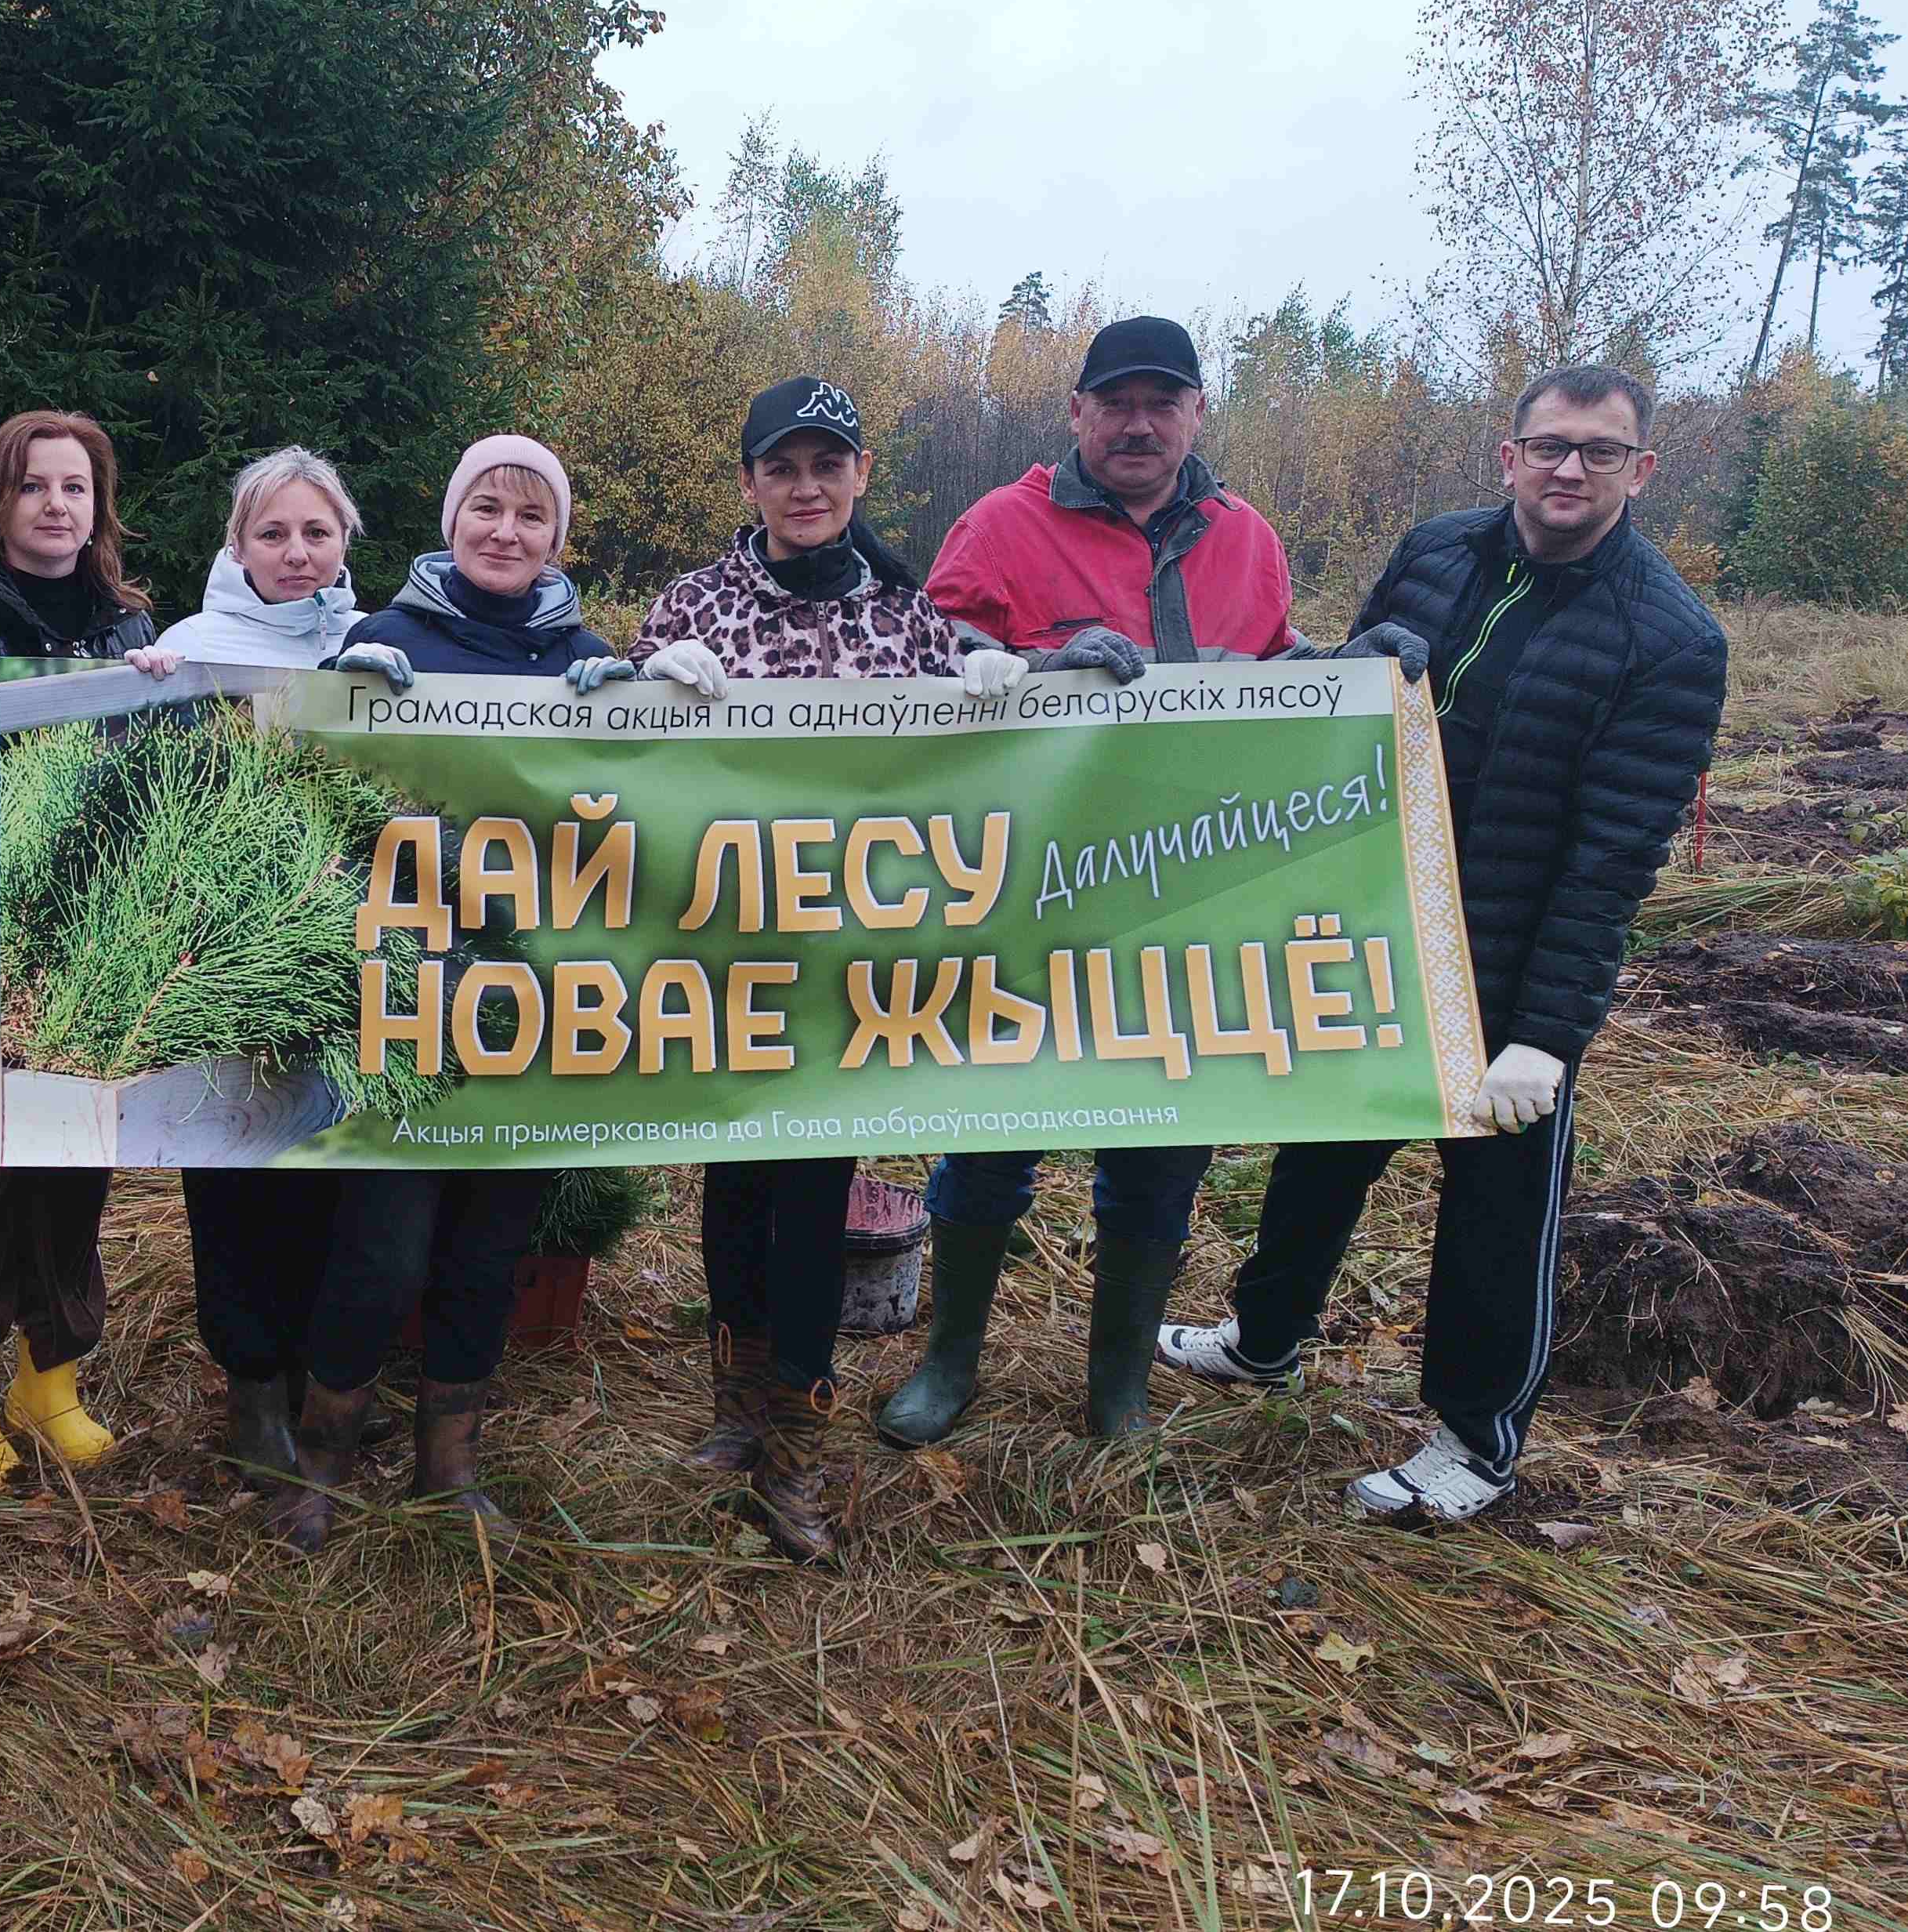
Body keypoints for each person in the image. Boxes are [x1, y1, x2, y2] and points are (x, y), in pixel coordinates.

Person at [1158, 365, 1725, 1521]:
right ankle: (1264, 1338)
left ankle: (1475, 1440)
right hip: (1378, 928)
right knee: (1320, 1147)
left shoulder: (1668, 639)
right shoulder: (1434, 552)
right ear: (1508, 455)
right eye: (1550, 445)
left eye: (1600, 451)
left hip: (1509, 968)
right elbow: (1344, 715)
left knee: (1495, 1211)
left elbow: (1613, 858)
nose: (1570, 469)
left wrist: (1547, 1036)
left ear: (1640, 470)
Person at [888, 314, 1415, 1452]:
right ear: (1076, 412)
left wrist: (1352, 674)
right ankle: (950, 1360)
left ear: (1195, 413)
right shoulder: (1001, 525)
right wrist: (1040, 670)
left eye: (1161, 402)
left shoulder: (1245, 537)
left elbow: (1272, 680)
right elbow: (925, 671)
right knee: (988, 1140)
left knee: (1161, 1149)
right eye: (1115, 402)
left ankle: (1118, 1385)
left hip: (1190, 900)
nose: (1138, 424)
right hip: (1027, 895)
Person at [626, 378, 1028, 1563]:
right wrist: (648, 683)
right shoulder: (693, 603)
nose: (806, 488)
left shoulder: (908, 615)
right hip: (718, 953)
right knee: (734, 1190)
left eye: (827, 465)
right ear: (750, 481)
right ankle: (736, 1409)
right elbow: (606, 761)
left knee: (811, 1194)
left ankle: (796, 1442)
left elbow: (965, 780)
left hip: (848, 970)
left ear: (860, 477)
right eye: (782, 467)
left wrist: (997, 689)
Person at [278, 433, 627, 1553]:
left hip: (533, 1004)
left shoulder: (585, 658)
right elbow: (316, 795)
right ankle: (322, 1458)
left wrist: (640, 721)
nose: (505, 532)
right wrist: (341, 696)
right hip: (404, 1000)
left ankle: (450, 1464)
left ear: (557, 537)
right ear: (451, 519)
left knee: (489, 1245)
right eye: (487, 507)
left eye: (531, 515)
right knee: (381, 1245)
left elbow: (624, 823)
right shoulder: (385, 638)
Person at [0, 410, 183, 1490]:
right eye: (33, 486)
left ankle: (50, 1381)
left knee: (74, 1162)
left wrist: (163, 684)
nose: (56, 506)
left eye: (75, 487)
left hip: (96, 939)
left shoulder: (130, 622)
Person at [153, 448, 369, 1490]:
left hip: (345, 951)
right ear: (237, 544)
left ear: (344, 543)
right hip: (223, 950)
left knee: (329, 1163)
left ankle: (317, 1374)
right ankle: (250, 1390)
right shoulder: (188, 650)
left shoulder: (373, 648)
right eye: (272, 532)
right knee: (233, 1164)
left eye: (315, 533)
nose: (295, 552)